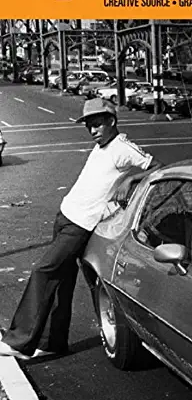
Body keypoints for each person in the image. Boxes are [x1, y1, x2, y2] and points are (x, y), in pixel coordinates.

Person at [0, 98, 162, 360]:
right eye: (89, 126)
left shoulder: (122, 148)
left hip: (80, 226)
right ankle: (52, 342)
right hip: (66, 215)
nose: (93, 130)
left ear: (111, 121)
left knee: (43, 271)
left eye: (97, 124)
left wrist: (130, 178)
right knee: (62, 281)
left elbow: (157, 168)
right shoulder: (101, 146)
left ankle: (19, 341)